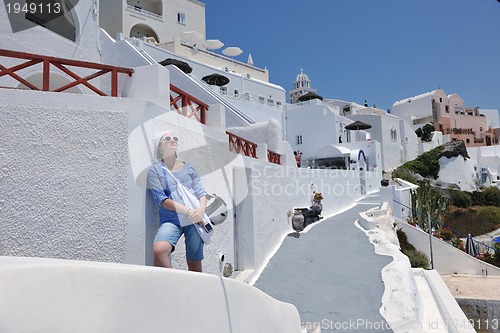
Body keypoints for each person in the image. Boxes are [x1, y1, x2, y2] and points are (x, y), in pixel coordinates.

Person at [147, 131, 208, 272]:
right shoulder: (155, 171)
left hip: (195, 220)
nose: (172, 140)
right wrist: (189, 211)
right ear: (160, 147)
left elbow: (201, 193)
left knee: (195, 264)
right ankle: (173, 286)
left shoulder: (190, 168)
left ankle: (194, 293)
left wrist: (200, 211)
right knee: (159, 250)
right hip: (172, 219)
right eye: (167, 139)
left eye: (175, 138)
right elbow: (161, 199)